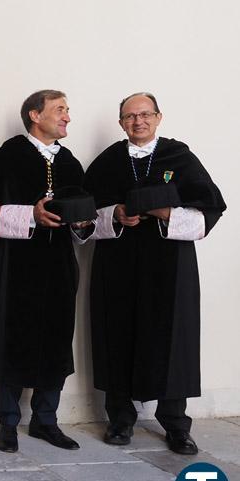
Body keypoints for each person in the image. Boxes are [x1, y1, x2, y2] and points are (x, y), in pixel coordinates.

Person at [83, 92, 226, 454]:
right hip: (117, 264)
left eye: (145, 114)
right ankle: (120, 419)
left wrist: (165, 213)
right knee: (116, 334)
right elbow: (82, 216)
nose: (138, 122)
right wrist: (114, 214)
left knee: (173, 338)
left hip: (170, 265)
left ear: (159, 117)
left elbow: (211, 211)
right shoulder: (107, 162)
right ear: (121, 123)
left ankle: (176, 424)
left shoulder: (180, 156)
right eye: (130, 117)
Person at [0, 90, 93, 453]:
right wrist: (29, 215)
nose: (67, 117)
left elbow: (84, 214)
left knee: (56, 340)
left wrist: (81, 221)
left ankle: (45, 420)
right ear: (35, 115)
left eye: (68, 110)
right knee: (12, 340)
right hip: (16, 267)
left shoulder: (70, 162)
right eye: (60, 110)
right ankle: (7, 422)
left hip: (60, 268)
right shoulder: (8, 156)